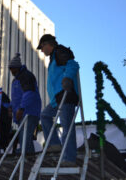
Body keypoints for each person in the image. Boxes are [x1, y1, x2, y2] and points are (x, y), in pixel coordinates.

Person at [37, 34, 79, 166]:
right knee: (45, 115)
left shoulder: (60, 52)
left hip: (66, 95)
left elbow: (73, 64)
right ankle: (55, 144)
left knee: (67, 126)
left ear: (48, 44)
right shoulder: (54, 57)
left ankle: (69, 158)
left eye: (42, 47)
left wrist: (67, 78)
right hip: (57, 98)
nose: (42, 51)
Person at [8, 53, 42, 154]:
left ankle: (24, 152)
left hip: (28, 111)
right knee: (25, 136)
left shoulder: (25, 76)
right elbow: (17, 97)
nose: (11, 71)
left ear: (17, 67)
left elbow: (29, 93)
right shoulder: (18, 78)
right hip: (23, 112)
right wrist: (11, 107)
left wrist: (21, 108)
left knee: (25, 134)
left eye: (13, 69)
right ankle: (29, 155)